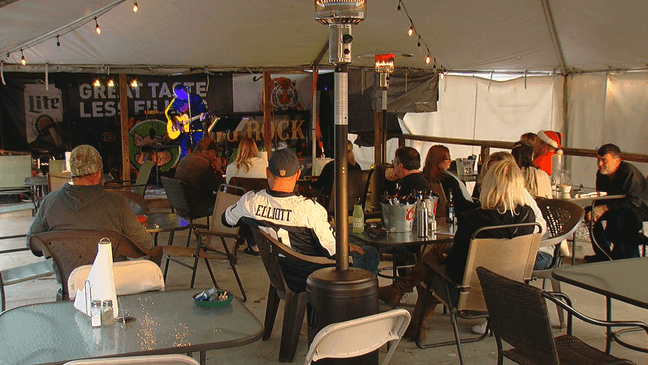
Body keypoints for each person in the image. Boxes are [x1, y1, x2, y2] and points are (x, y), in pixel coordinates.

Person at [378, 159, 536, 340]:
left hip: (469, 292)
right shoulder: (528, 217)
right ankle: (400, 294)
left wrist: (447, 257)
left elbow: (456, 266)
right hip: (509, 291)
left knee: (431, 270)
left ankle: (407, 307)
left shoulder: (475, 219)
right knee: (439, 257)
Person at [222, 148, 379, 292]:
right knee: (370, 253)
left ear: (268, 173)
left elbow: (226, 220)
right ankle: (354, 305)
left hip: (279, 273)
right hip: (312, 277)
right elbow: (333, 251)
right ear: (297, 175)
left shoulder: (250, 201)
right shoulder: (310, 209)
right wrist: (346, 245)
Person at [27, 145, 157, 263]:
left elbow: (32, 242)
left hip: (70, 280)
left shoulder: (50, 202)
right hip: (111, 281)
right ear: (100, 171)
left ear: (72, 172)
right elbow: (145, 245)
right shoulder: (117, 204)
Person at [584, 143, 648, 262]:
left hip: (639, 209)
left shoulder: (628, 171)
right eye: (598, 160)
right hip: (617, 207)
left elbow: (634, 200)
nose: (600, 164)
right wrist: (596, 210)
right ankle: (603, 254)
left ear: (617, 161)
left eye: (604, 160)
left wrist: (603, 208)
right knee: (589, 212)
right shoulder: (601, 173)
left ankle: (628, 258)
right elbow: (602, 196)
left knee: (622, 219)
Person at [175, 137, 225, 216]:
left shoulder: (185, 159)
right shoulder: (203, 163)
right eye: (215, 152)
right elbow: (218, 188)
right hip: (197, 207)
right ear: (208, 152)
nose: (216, 156)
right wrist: (218, 169)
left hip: (182, 206)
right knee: (227, 202)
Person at [422, 145, 479, 213]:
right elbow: (462, 204)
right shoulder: (449, 181)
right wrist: (480, 206)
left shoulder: (425, 176)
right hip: (460, 214)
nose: (450, 161)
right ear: (439, 161)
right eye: (448, 158)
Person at [165, 84, 209, 159]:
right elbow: (167, 111)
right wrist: (173, 120)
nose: (178, 97)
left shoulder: (195, 98)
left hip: (196, 129)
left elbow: (204, 111)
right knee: (183, 152)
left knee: (198, 151)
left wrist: (203, 116)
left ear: (184, 91)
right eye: (177, 95)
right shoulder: (176, 100)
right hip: (183, 132)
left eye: (179, 94)